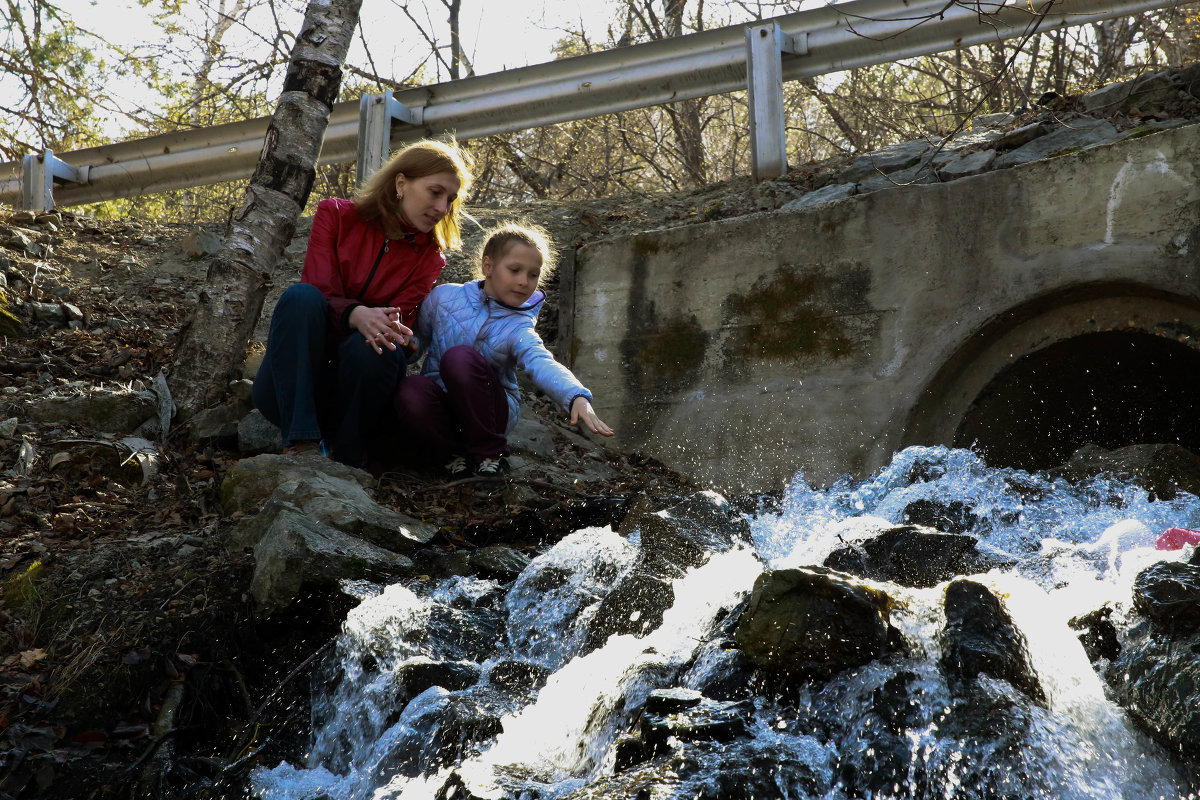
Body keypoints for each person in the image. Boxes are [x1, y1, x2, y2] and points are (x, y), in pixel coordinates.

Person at [252, 138, 474, 466]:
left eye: (450, 199)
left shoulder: (429, 259)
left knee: (378, 344)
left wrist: (403, 337)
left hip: (358, 395)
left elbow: (396, 324)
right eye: (435, 192)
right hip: (293, 387)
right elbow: (319, 288)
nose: (443, 208)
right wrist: (356, 314)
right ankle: (300, 441)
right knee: (300, 297)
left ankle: (348, 457)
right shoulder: (336, 215)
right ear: (401, 184)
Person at [395, 221, 613, 478]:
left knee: (459, 358)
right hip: (441, 405)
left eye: (533, 274)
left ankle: (490, 454)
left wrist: (575, 396)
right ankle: (453, 455)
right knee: (411, 389)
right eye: (515, 270)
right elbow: (419, 343)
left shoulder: (518, 326)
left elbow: (540, 361)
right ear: (488, 266)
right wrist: (407, 345)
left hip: (491, 414)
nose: (524, 281)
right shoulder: (443, 298)